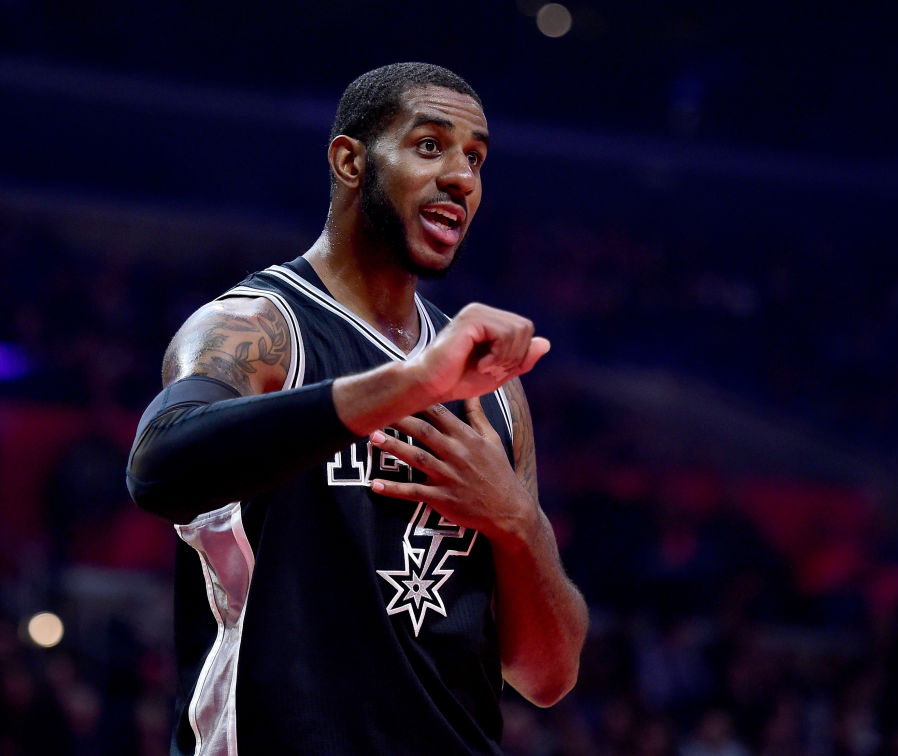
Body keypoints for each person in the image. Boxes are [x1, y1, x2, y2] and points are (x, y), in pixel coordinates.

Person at [126, 62, 588, 755]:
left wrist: (518, 522)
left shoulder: (492, 389)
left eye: (476, 156)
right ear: (350, 160)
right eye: (430, 145)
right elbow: (159, 466)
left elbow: (547, 675)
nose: (462, 176)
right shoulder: (260, 328)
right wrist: (413, 384)